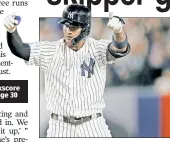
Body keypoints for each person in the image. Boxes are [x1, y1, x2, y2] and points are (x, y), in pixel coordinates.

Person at [4, 4, 130, 138]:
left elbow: (120, 48)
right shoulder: (51, 50)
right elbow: (21, 50)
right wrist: (12, 31)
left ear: (85, 29)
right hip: (60, 126)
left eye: (74, 27)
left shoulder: (97, 48)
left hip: (93, 124)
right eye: (66, 25)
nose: (68, 31)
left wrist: (119, 31)